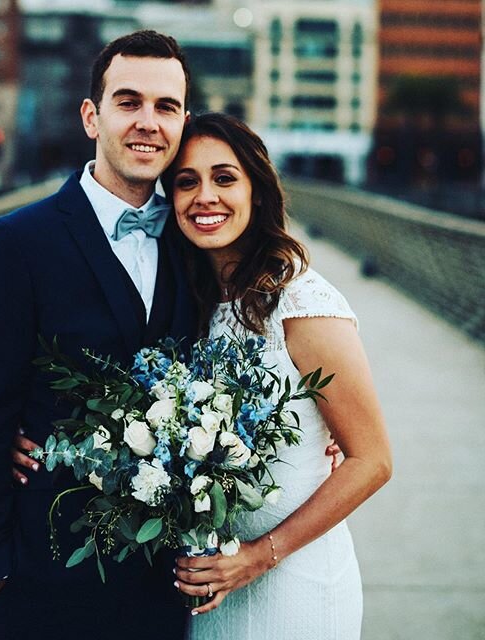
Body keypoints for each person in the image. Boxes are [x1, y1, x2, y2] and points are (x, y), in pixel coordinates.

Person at [0, 31, 197, 640]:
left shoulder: (199, 244)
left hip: (167, 587)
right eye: (129, 101)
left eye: (166, 107)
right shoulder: (16, 243)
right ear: (93, 115)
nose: (148, 123)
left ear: (183, 122)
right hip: (44, 583)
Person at [160, 113, 392, 639]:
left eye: (224, 178)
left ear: (257, 191)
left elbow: (372, 460)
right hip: (210, 591)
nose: (204, 196)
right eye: (186, 182)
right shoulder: (188, 302)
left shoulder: (303, 304)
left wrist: (261, 556)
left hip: (295, 583)